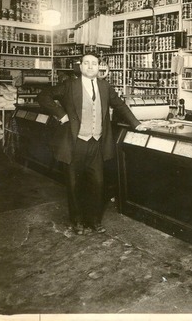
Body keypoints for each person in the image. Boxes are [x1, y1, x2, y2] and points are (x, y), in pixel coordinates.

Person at [37, 51, 145, 235]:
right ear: (80, 66)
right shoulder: (69, 85)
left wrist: (137, 124)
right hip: (75, 142)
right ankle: (78, 221)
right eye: (86, 63)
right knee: (74, 184)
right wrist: (61, 115)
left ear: (99, 67)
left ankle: (94, 221)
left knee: (97, 183)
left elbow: (120, 105)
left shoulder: (105, 86)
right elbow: (43, 96)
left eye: (94, 63)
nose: (90, 66)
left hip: (97, 143)